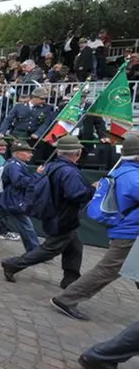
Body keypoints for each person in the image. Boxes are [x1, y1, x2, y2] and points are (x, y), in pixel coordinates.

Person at [50, 135, 139, 321]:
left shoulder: (124, 172)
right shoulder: (133, 177)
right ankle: (66, 299)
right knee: (108, 269)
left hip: (126, 229)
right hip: (130, 232)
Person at [1, 136, 94, 287]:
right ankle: (13, 264)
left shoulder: (52, 166)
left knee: (75, 246)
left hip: (55, 214)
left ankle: (70, 279)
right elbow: (76, 194)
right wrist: (93, 189)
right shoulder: (69, 171)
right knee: (49, 250)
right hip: (63, 217)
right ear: (77, 153)